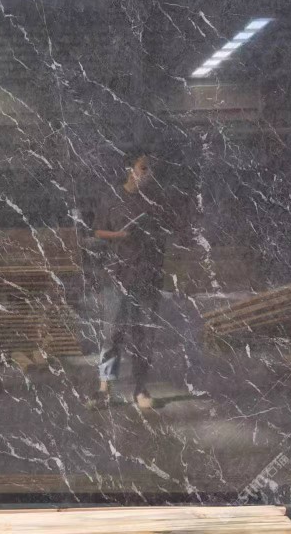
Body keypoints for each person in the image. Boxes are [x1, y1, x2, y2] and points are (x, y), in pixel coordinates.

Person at [91, 152, 169, 410]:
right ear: (130, 169)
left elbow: (163, 236)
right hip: (117, 274)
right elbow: (98, 230)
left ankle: (141, 389)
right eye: (143, 168)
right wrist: (119, 235)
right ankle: (104, 388)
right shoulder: (112, 198)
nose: (147, 174)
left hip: (146, 275)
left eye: (150, 170)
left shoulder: (153, 201)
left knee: (143, 336)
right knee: (112, 333)